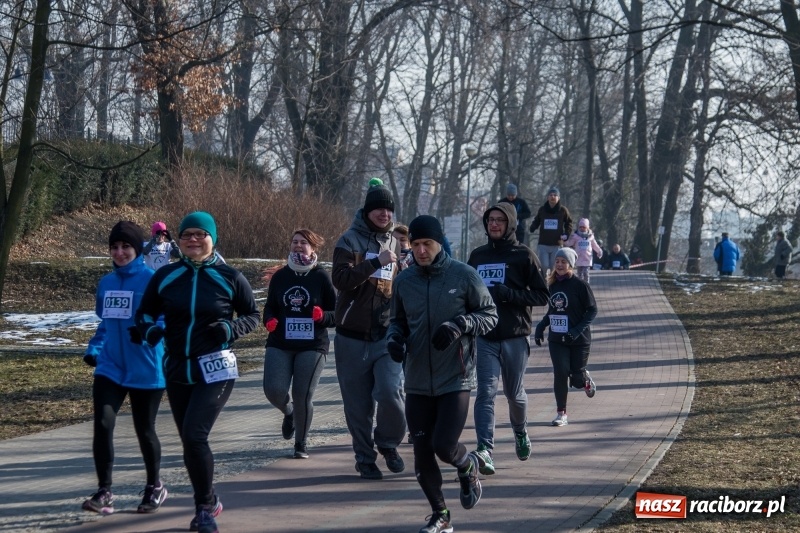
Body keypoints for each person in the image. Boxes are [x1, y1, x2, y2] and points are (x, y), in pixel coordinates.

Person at [135, 211, 260, 533]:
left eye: (200, 234)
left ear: (212, 238)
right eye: (187, 234)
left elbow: (252, 315)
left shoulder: (230, 276)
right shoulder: (166, 276)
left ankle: (204, 508)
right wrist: (149, 330)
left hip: (216, 368)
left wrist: (230, 328)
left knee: (195, 435)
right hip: (178, 367)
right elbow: (145, 313)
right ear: (179, 239)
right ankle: (208, 499)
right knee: (189, 441)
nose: (193, 239)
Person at [386, 215, 498, 533]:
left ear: (438, 244)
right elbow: (396, 321)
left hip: (455, 377)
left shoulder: (463, 275)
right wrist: (394, 339)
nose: (420, 250)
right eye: (416, 244)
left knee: (444, 445)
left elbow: (489, 315)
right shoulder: (405, 281)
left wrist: (460, 325)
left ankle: (468, 465)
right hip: (418, 380)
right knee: (422, 455)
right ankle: (441, 516)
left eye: (427, 244)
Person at [82, 221, 167, 515]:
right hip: (111, 366)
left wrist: (147, 333)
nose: (119, 252)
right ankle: (104, 491)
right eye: (114, 247)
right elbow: (106, 323)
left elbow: (165, 321)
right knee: (103, 424)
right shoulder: (106, 283)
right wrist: (94, 349)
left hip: (145, 366)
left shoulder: (153, 280)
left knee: (144, 429)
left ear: (138, 249)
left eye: (126, 246)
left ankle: (154, 486)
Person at [332, 179, 406, 480]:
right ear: (367, 211)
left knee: (391, 393)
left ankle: (388, 443)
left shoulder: (394, 242)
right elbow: (341, 280)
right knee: (358, 406)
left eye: (389, 210)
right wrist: (375, 262)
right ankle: (364, 458)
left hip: (384, 333)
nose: (384, 214)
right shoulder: (348, 241)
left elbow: (394, 284)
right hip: (351, 336)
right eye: (378, 209)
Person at [466, 203, 548, 477]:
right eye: (490, 220)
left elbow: (542, 296)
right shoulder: (477, 256)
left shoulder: (524, 255)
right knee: (485, 393)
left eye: (500, 220)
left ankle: (520, 431)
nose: (494, 224)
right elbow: (465, 293)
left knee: (514, 394)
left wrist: (510, 294)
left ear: (510, 223)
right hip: (485, 336)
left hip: (514, 335)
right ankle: (484, 450)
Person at [262, 229, 336, 459]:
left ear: (313, 248)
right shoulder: (281, 276)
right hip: (280, 341)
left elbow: (336, 314)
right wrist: (269, 320)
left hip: (312, 345)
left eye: (303, 242)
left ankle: (300, 443)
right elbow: (270, 307)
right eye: (294, 242)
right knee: (273, 390)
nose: (297, 246)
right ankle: (289, 412)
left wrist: (322, 317)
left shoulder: (321, 277)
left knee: (303, 393)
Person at [534, 247, 598, 427]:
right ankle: (561, 413)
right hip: (557, 339)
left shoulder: (580, 285)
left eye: (563, 262)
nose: (560, 265)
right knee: (561, 372)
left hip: (579, 339)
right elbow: (554, 310)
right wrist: (541, 326)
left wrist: (577, 330)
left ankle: (583, 379)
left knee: (576, 379)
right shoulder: (553, 284)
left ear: (571, 265)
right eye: (557, 261)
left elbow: (592, 310)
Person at [529, 186, 573, 274]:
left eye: (555, 195)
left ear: (558, 197)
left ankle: (554, 285)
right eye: (551, 195)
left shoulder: (563, 210)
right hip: (543, 243)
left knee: (555, 267)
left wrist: (567, 234)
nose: (553, 197)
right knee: (544, 266)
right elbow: (537, 220)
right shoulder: (542, 210)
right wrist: (533, 227)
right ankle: (545, 285)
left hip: (556, 244)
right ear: (547, 197)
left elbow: (569, 222)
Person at [563, 218, 603, 284]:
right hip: (579, 258)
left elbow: (594, 245)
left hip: (587, 258)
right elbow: (569, 243)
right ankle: (580, 286)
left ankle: (587, 285)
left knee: (586, 273)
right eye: (580, 227)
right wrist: (564, 240)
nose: (582, 228)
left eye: (584, 227)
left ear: (587, 228)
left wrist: (599, 251)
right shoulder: (575, 236)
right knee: (580, 274)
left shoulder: (591, 237)